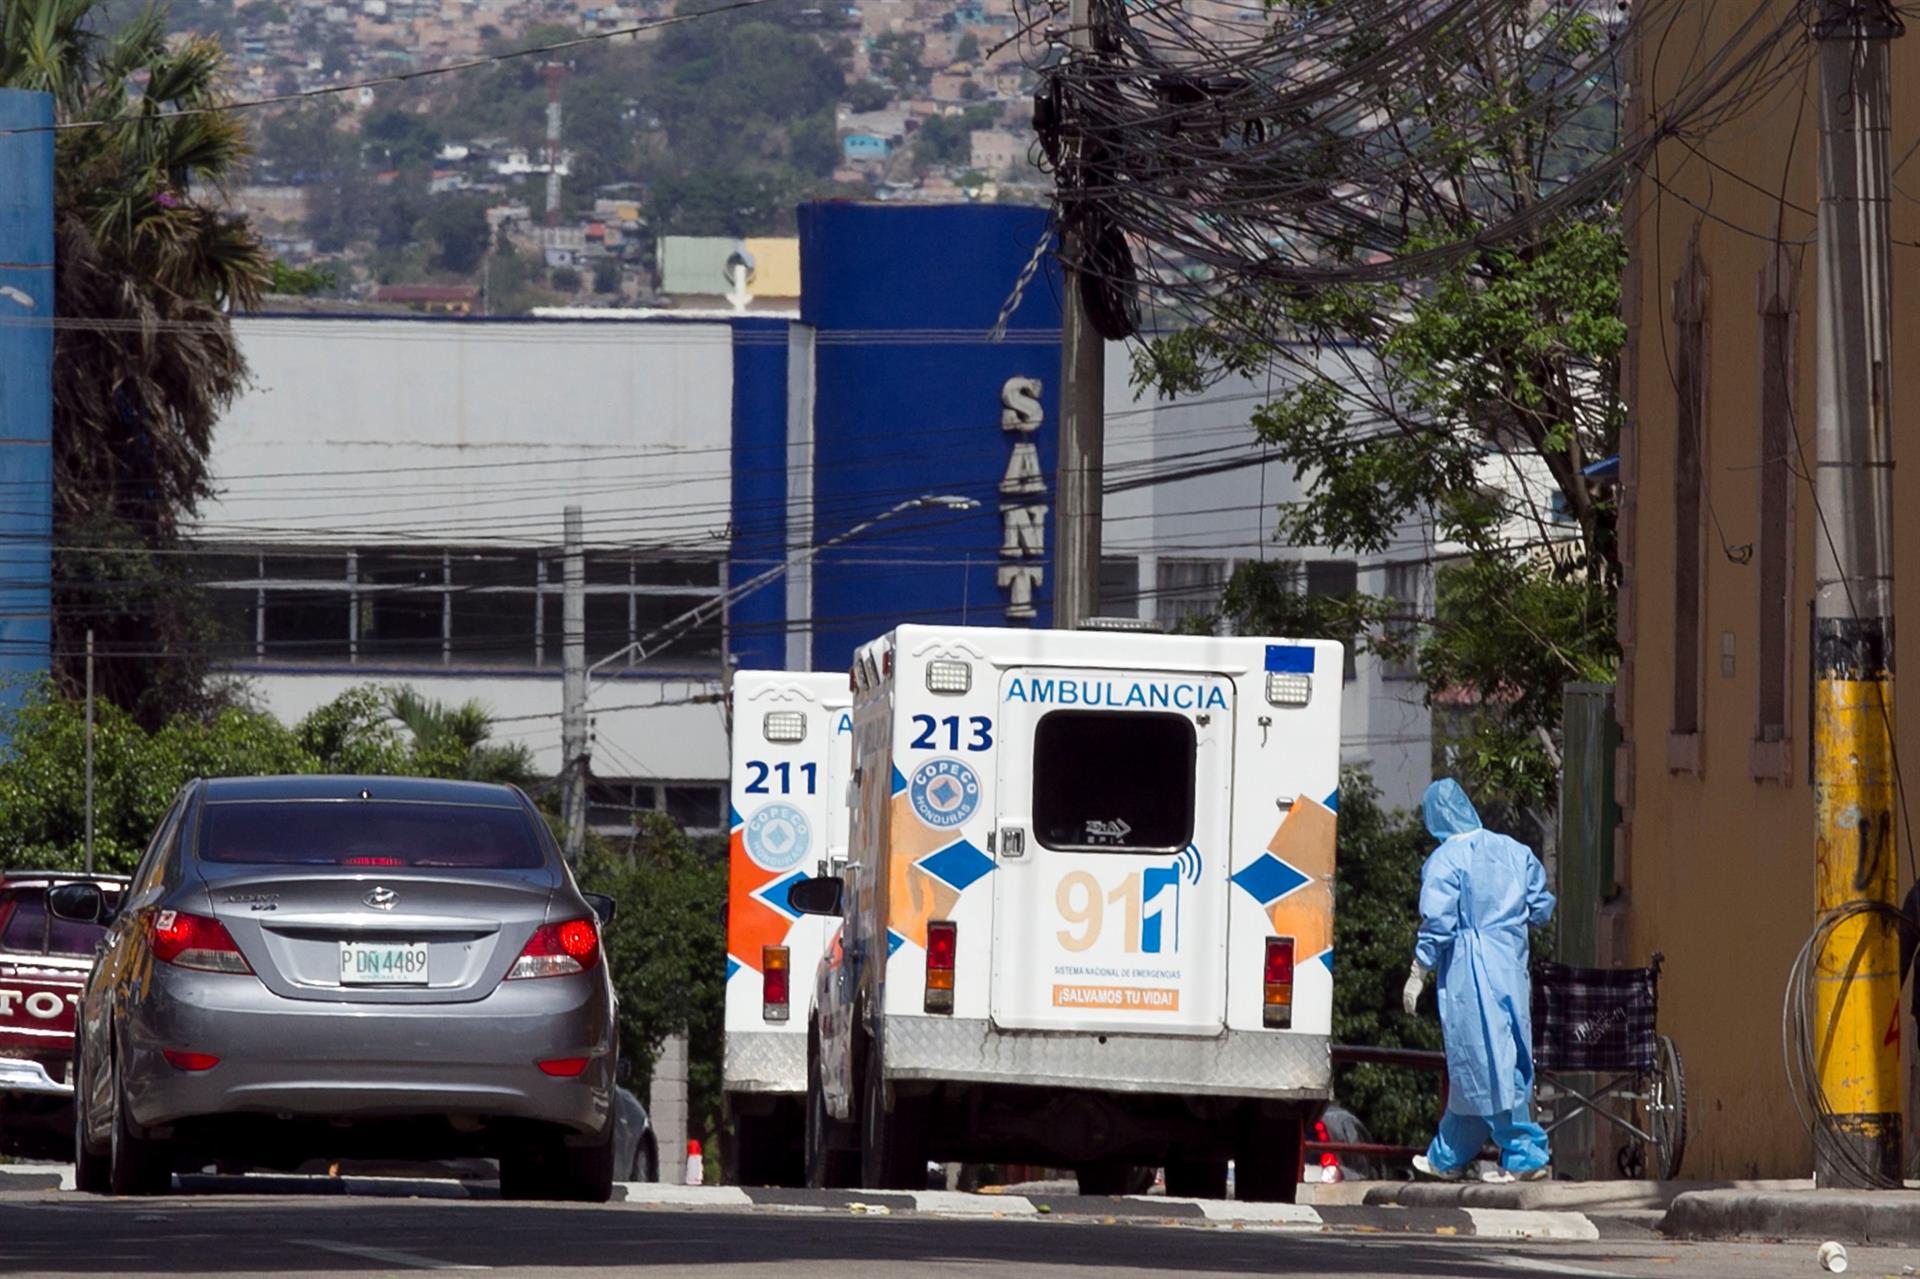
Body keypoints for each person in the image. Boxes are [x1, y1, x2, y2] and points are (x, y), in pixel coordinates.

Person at [1401, 778, 1555, 1183]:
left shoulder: (1446, 860)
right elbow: (1541, 908)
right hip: (1510, 965)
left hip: (1472, 969)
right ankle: (1446, 1155)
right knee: (1492, 1061)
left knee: (1485, 1062)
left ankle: (1526, 1154)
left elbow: (1438, 922)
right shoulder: (1515, 851)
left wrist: (1419, 969)